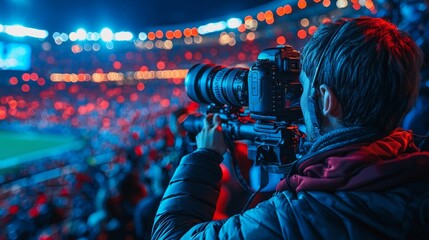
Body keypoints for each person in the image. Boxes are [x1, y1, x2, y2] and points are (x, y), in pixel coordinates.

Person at [151, 16, 429, 239]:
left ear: (326, 100)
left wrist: (205, 157)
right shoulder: (417, 171)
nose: (296, 98)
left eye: (302, 87)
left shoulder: (293, 218)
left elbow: (171, 234)